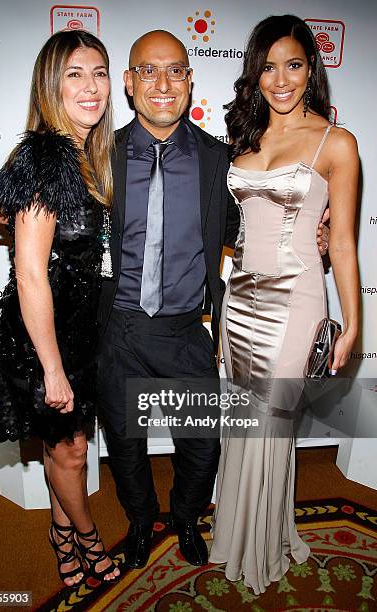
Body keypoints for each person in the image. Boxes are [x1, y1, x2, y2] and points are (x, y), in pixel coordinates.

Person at [96, 29, 330, 570]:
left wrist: (312, 235)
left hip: (184, 330)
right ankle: (138, 521)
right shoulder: (98, 154)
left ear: (189, 79)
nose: (162, 83)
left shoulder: (218, 160)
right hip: (119, 327)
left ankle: (184, 518)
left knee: (202, 447)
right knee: (125, 445)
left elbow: (251, 225)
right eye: (148, 71)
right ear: (129, 83)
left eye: (175, 70)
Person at [208, 14, 359, 594]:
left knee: (271, 423)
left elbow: (341, 240)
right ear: (255, 74)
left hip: (295, 300)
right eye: (268, 67)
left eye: (293, 64)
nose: (280, 79)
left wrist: (352, 321)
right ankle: (237, 532)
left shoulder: (336, 143)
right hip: (239, 298)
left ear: (310, 69)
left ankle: (262, 545)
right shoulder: (245, 140)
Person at [0, 30, 120, 587]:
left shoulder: (85, 154)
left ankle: (61, 531)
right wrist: (52, 368)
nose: (91, 87)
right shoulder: (45, 156)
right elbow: (30, 274)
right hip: (46, 339)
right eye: (74, 75)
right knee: (71, 453)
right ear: (51, 84)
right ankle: (85, 537)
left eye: (99, 73)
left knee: (69, 449)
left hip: (78, 331)